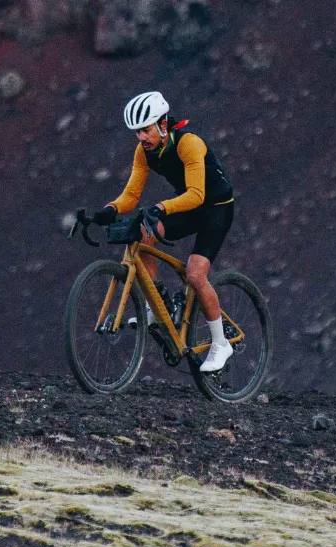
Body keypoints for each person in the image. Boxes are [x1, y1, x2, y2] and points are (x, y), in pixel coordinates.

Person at [91, 91, 236, 372]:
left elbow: (195, 194)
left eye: (145, 130)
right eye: (137, 132)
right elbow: (131, 195)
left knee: (195, 273)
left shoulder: (189, 144)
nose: (141, 138)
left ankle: (221, 343)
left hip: (216, 208)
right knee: (142, 233)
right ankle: (155, 307)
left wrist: (161, 206)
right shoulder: (144, 152)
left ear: (163, 125)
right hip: (188, 207)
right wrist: (108, 210)